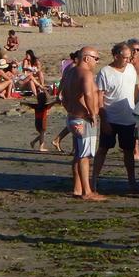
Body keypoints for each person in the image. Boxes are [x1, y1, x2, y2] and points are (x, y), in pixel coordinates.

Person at [92, 42, 139, 193]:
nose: (128, 60)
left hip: (129, 119)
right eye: (125, 57)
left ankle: (132, 183)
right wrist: (103, 119)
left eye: (129, 57)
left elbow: (135, 90)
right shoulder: (105, 72)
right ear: (116, 56)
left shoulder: (131, 69)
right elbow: (99, 97)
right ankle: (93, 181)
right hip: (111, 119)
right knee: (103, 149)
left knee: (129, 151)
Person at [61, 47, 105, 200]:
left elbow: (62, 93)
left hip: (72, 117)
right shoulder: (86, 73)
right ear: (87, 58)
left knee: (78, 155)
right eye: (96, 58)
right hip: (83, 119)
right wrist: (93, 113)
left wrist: (68, 107)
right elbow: (87, 94)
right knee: (84, 156)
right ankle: (87, 191)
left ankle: (77, 188)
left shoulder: (69, 71)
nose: (97, 62)